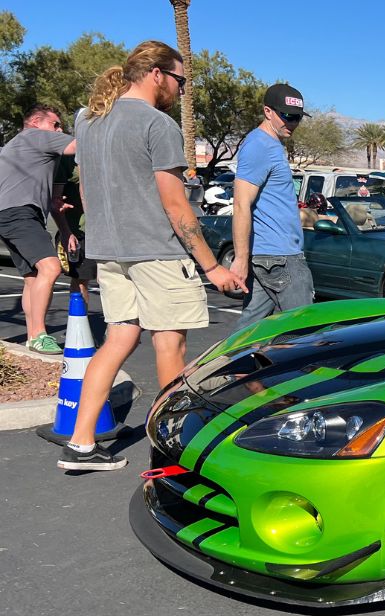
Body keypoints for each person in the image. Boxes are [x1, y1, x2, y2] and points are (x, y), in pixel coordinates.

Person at [61, 40, 246, 471]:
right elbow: (177, 207)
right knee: (171, 345)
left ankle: (81, 445)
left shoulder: (88, 120)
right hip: (157, 253)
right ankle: (170, 452)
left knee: (119, 339)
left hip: (110, 250)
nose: (182, 90)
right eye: (180, 81)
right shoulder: (157, 125)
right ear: (158, 74)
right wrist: (213, 266)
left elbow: (86, 191)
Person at [230, 83, 314, 330]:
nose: (292, 123)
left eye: (297, 117)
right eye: (287, 116)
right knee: (304, 331)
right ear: (268, 111)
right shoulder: (260, 146)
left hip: (271, 256)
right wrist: (241, 259)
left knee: (251, 333)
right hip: (281, 257)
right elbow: (241, 203)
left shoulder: (269, 145)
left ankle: (225, 367)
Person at [0, 104, 78, 354]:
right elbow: (78, 146)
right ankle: (38, 335)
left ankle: (33, 336)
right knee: (51, 267)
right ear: (35, 122)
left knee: (32, 278)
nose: (59, 130)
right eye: (55, 124)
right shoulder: (36, 136)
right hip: (19, 213)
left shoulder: (18, 144)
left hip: (11, 213)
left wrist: (53, 202)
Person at [52, 155, 95, 307]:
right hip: (80, 231)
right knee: (81, 279)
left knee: (116, 280)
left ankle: (117, 329)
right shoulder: (67, 159)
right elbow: (56, 201)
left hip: (109, 229)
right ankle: (78, 327)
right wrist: (66, 232)